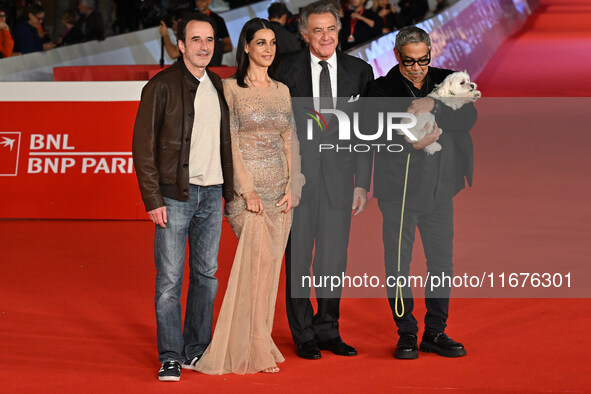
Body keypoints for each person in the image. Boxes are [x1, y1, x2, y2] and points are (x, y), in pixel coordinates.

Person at [195, 17, 304, 375]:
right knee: (255, 267)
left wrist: (294, 185)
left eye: (272, 42)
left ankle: (260, 338)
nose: (268, 49)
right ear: (245, 47)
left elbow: (290, 140)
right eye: (260, 43)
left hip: (281, 195)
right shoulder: (229, 89)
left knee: (271, 269)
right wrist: (247, 190)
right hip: (248, 197)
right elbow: (231, 143)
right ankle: (249, 344)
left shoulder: (281, 90)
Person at [132, 12, 233, 382]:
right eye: (196, 40)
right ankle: (171, 354)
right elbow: (142, 148)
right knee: (170, 280)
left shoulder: (221, 87)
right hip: (174, 197)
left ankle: (197, 348)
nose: (204, 46)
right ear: (180, 45)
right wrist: (152, 198)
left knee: (207, 276)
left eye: (209, 40)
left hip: (213, 195)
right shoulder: (160, 86)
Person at [368, 26, 477, 360]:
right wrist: (411, 142)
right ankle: (406, 332)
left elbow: (469, 116)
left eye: (423, 60)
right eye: (409, 61)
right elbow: (374, 133)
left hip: (441, 189)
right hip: (399, 191)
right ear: (398, 56)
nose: (416, 67)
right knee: (398, 264)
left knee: (441, 262)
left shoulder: (449, 79)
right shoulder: (381, 89)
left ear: (431, 52)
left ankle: (435, 331)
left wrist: (435, 103)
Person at [275, 1, 374, 361]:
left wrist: (362, 183)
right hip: (297, 182)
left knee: (333, 260)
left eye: (331, 29)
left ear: (339, 29)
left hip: (340, 182)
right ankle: (303, 335)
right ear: (304, 34)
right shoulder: (284, 70)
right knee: (298, 259)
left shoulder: (359, 71)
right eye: (317, 30)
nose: (325, 37)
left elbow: (366, 132)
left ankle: (328, 329)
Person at [194, 0, 232, 66]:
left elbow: (228, 46)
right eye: (197, 1)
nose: (199, 3)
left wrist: (213, 51)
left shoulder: (218, 20)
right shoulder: (190, 18)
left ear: (209, 1)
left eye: (202, 1)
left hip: (212, 62)